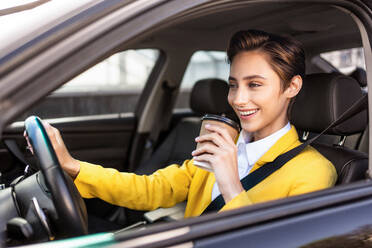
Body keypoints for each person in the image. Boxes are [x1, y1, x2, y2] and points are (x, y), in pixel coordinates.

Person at [40, 30, 337, 218]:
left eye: (255, 85)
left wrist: (231, 185)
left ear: (292, 87)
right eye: (233, 85)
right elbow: (152, 190)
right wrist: (73, 167)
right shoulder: (223, 144)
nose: (238, 99)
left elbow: (285, 241)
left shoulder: (313, 171)